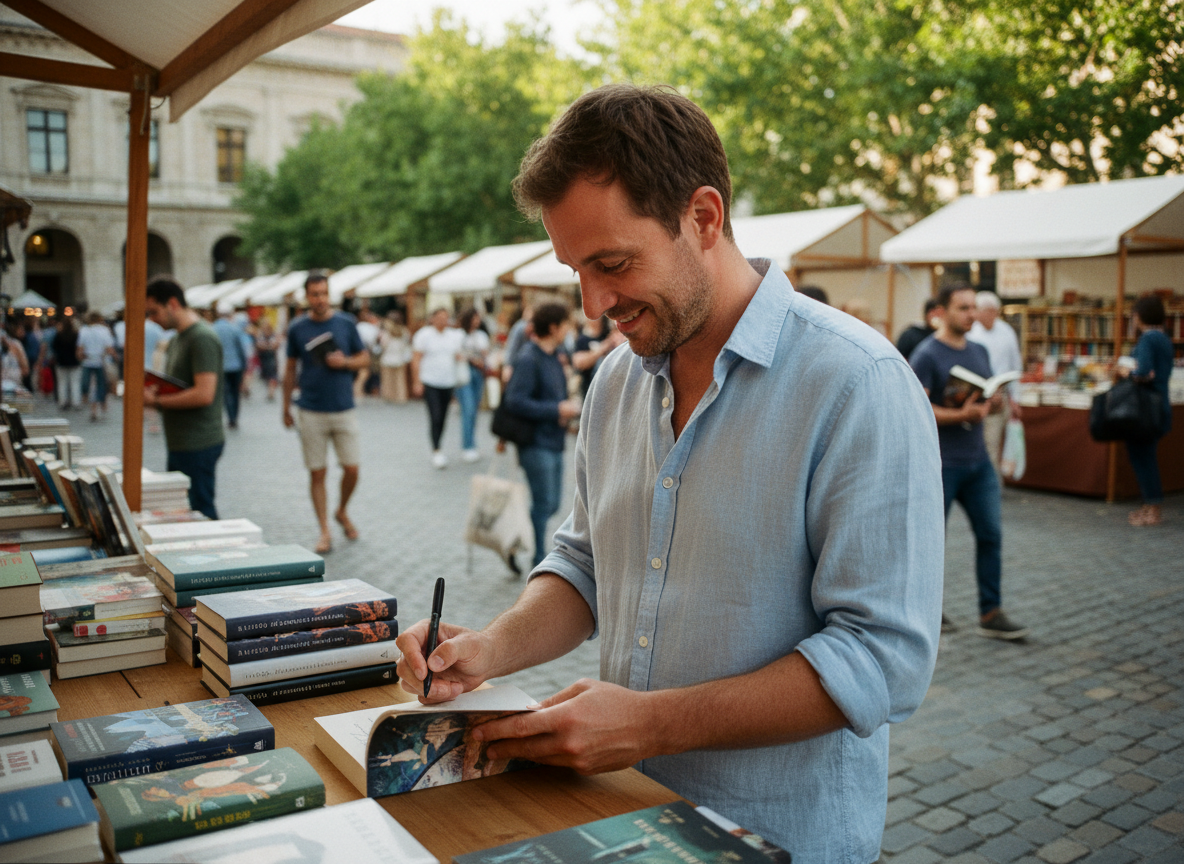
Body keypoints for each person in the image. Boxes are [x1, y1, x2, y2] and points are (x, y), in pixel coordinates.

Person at [395, 84, 944, 861]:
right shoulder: (616, 382)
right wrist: (489, 648)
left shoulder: (857, 384)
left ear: (704, 217)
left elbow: (882, 660)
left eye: (612, 263)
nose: (592, 303)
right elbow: (586, 565)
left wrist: (650, 724)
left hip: (779, 838)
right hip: (622, 823)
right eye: (575, 271)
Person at [910, 283, 1028, 641]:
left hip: (978, 461)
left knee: (991, 534)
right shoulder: (927, 354)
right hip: (942, 464)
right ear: (942, 311)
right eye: (963, 308)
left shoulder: (978, 350)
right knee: (931, 543)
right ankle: (924, 613)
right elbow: (918, 407)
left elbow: (986, 391)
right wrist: (960, 413)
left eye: (973, 307)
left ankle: (990, 612)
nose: (971, 314)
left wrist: (990, 405)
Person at [283, 272, 369, 555]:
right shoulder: (297, 327)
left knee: (352, 468)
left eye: (323, 293)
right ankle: (324, 530)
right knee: (317, 473)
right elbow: (290, 368)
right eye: (314, 294)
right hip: (310, 409)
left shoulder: (345, 322)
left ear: (329, 294)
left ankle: (341, 510)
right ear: (306, 296)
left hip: (343, 407)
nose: (319, 299)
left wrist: (344, 362)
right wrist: (285, 406)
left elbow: (365, 358)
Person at [502, 303, 582, 568]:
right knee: (544, 502)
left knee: (552, 504)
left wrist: (561, 411)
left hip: (554, 438)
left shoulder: (555, 356)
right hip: (535, 442)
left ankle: (513, 541)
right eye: (566, 325)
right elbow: (515, 401)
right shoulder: (528, 358)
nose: (569, 331)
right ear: (553, 327)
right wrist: (556, 408)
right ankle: (538, 556)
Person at [143, 277, 225, 519]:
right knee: (186, 510)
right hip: (183, 440)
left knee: (200, 510)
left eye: (154, 311)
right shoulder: (179, 338)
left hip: (198, 440)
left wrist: (156, 402)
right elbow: (182, 386)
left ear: (172, 303)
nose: (152, 319)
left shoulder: (201, 337)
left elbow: (203, 394)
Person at [1120, 295, 1173, 527]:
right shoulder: (1163, 338)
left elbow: (1144, 373)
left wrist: (1124, 371)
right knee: (1145, 456)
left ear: (1139, 316)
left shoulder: (1148, 340)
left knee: (1143, 458)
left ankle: (1153, 508)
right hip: (1159, 404)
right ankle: (1149, 505)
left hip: (1145, 408)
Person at [968, 290, 1023, 469]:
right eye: (985, 311)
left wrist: (1015, 399)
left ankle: (992, 488)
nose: (990, 315)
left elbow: (1015, 366)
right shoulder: (972, 333)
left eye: (993, 311)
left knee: (992, 445)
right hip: (975, 395)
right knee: (978, 443)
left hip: (1001, 395)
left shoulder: (1006, 331)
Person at [410, 308, 465, 469]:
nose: (443, 321)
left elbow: (457, 355)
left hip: (448, 382)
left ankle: (439, 444)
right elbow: (416, 359)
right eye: (440, 318)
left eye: (446, 318)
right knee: (435, 416)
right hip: (430, 381)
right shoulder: (424, 335)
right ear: (432, 319)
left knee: (443, 417)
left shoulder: (452, 336)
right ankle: (436, 449)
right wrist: (417, 381)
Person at [456, 309, 491, 462]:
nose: (477, 321)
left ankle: (471, 443)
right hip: (464, 372)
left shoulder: (481, 336)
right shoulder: (458, 335)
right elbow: (457, 354)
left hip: (478, 373)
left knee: (474, 410)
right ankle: (468, 446)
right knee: (468, 409)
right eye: (475, 318)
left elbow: (485, 354)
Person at [212, 302, 251, 429]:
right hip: (236, 366)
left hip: (220, 366)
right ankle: (234, 417)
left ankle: (230, 417)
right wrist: (245, 365)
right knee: (235, 392)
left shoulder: (213, 329)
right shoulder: (234, 328)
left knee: (225, 392)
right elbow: (241, 349)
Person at [572, 315, 625, 399]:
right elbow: (578, 363)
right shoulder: (583, 339)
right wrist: (604, 347)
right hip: (590, 389)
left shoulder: (609, 334)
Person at [379, 312, 410, 403]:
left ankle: (389, 396)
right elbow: (406, 345)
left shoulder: (386, 333)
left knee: (388, 380)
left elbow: (383, 345)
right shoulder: (404, 331)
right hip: (400, 358)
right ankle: (400, 396)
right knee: (399, 380)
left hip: (387, 358)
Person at [52, 317, 81, 409]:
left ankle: (63, 401)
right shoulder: (75, 335)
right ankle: (76, 402)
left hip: (61, 361)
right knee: (75, 382)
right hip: (74, 361)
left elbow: (54, 347)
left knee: (62, 383)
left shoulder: (59, 335)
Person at [500, 304, 533, 384]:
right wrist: (508, 365)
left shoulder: (525, 326)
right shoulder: (520, 326)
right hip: (519, 364)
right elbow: (512, 346)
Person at [254, 318, 281, 402]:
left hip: (271, 358)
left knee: (272, 375)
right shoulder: (260, 335)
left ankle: (271, 393)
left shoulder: (273, 334)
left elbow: (276, 345)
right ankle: (270, 391)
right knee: (266, 376)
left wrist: (266, 346)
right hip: (263, 359)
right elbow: (258, 346)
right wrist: (269, 346)